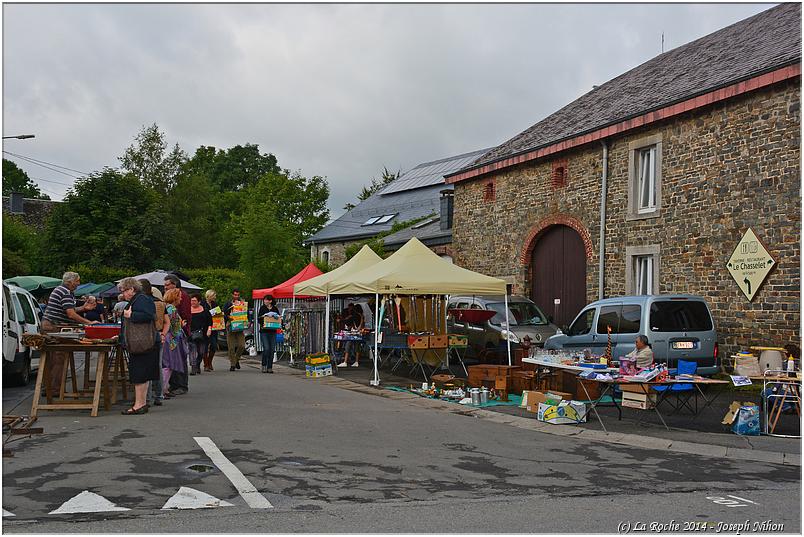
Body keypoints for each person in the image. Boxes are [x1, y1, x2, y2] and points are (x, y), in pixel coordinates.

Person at [41, 271, 99, 396]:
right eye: (77, 281)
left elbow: (68, 310)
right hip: (53, 327)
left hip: (51, 326)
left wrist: (83, 308)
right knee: (58, 358)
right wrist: (88, 323)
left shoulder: (63, 291)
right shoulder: (65, 292)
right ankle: (55, 390)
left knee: (53, 359)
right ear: (70, 281)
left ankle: (49, 388)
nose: (78, 283)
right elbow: (71, 314)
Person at [118, 277, 159, 415]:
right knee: (142, 373)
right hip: (143, 343)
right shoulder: (142, 298)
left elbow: (149, 315)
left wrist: (131, 315)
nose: (123, 294)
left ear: (131, 289)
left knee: (139, 373)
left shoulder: (141, 299)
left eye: (124, 291)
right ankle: (141, 402)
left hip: (141, 343)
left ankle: (139, 404)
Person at [164, 275, 192, 394]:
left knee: (177, 361)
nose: (165, 287)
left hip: (177, 335)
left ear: (174, 284)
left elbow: (186, 315)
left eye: (167, 284)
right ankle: (173, 385)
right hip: (175, 336)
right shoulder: (171, 307)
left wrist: (183, 326)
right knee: (173, 362)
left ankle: (180, 385)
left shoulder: (182, 297)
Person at [142, 281, 168, 407]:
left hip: (146, 335)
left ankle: (146, 398)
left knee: (146, 366)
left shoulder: (144, 303)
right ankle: (159, 396)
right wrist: (163, 333)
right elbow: (167, 322)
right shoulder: (161, 303)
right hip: (158, 334)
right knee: (157, 365)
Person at [224, 288, 247, 372]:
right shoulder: (228, 303)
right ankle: (232, 364)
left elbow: (245, 313)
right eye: (235, 295)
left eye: (238, 295)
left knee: (242, 345)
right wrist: (228, 317)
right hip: (231, 325)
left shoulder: (243, 303)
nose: (236, 296)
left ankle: (236, 359)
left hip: (240, 326)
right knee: (231, 347)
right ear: (232, 295)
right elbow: (224, 314)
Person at [188, 294, 212, 376]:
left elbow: (210, 321)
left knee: (201, 352)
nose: (192, 302)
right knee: (192, 351)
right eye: (191, 301)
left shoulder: (205, 310)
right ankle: (193, 367)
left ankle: (198, 364)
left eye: (194, 301)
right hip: (191, 334)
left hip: (203, 334)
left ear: (199, 301)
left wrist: (209, 330)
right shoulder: (188, 311)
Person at [257, 295, 280, 374]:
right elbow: (259, 319)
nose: (265, 301)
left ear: (270, 301)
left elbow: (278, 319)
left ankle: (270, 367)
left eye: (266, 300)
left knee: (272, 349)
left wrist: (275, 316)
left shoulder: (275, 308)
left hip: (273, 331)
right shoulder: (262, 308)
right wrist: (264, 317)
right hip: (264, 331)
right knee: (266, 348)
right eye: (264, 300)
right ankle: (264, 365)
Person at [337, 303, 364, 368]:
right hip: (359, 333)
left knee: (347, 346)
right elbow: (362, 324)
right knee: (357, 347)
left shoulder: (355, 315)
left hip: (353, 333)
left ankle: (345, 361)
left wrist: (342, 320)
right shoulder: (361, 316)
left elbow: (351, 323)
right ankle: (356, 361)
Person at [204, 289, 219, 372]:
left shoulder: (215, 304)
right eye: (214, 296)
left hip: (214, 327)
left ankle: (210, 362)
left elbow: (218, 314)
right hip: (205, 327)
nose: (215, 297)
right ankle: (206, 364)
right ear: (210, 296)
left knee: (213, 345)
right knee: (205, 346)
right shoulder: (203, 304)